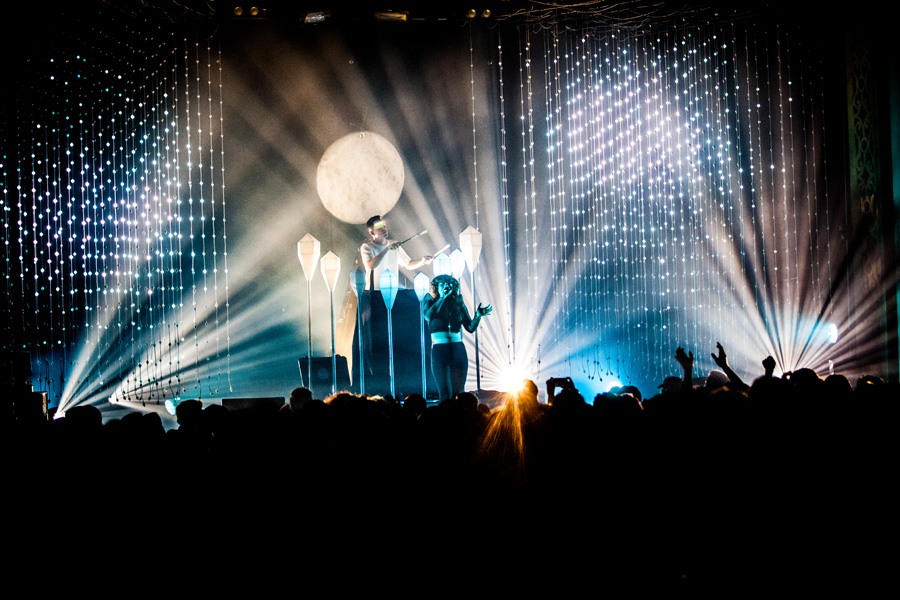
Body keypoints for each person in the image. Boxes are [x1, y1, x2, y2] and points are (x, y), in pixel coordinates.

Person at [423, 274, 492, 401]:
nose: (446, 287)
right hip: (440, 349)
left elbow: (470, 327)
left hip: (457, 348)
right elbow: (428, 316)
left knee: (459, 392)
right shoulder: (430, 299)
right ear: (436, 286)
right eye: (443, 285)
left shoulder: (457, 301)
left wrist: (478, 316)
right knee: (444, 393)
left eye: (449, 285)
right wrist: (442, 298)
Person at [359, 215, 432, 290]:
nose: (384, 229)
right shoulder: (367, 247)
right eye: (379, 228)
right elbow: (371, 266)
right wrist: (386, 249)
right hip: (374, 292)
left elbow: (408, 264)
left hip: (392, 291)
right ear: (372, 233)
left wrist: (422, 261)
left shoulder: (394, 244)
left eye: (384, 226)